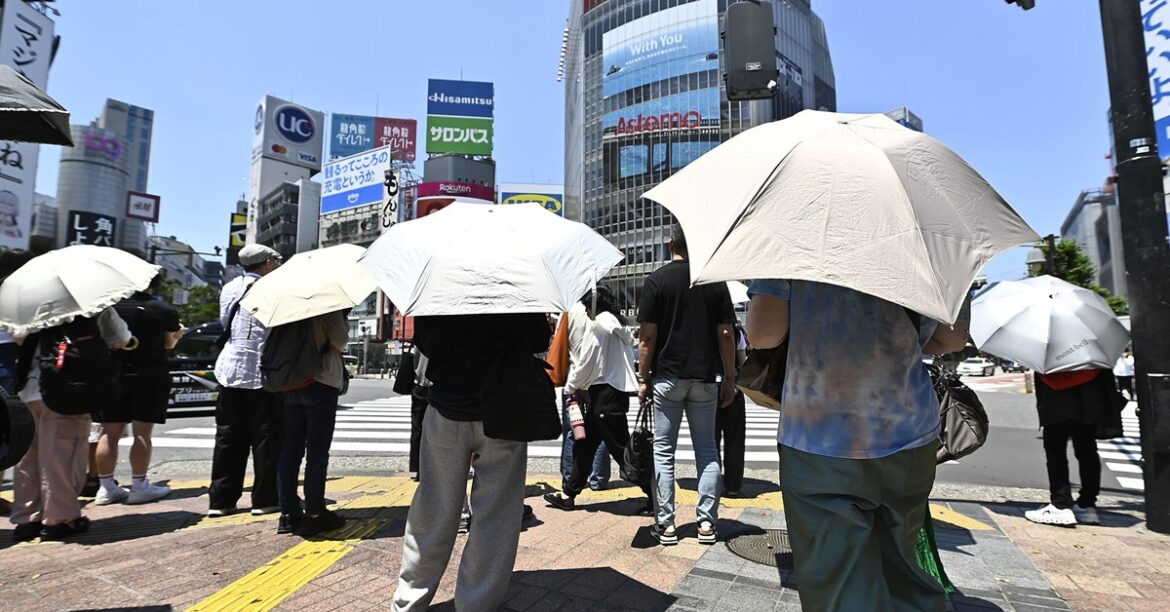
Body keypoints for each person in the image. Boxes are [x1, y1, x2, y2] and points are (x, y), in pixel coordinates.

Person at [746, 279, 967, 611]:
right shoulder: (930, 235)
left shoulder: (792, 234)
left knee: (836, 583)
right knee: (903, 571)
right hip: (908, 430)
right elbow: (950, 338)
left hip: (820, 436)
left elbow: (763, 333)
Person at [392, 312, 551, 612]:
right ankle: (476, 603)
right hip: (504, 411)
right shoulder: (516, 283)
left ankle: (409, 600)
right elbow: (538, 337)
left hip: (447, 406)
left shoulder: (440, 286)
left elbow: (424, 342)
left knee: (433, 509)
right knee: (496, 514)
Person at [637, 225, 737, 546]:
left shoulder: (656, 281)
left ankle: (666, 525)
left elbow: (647, 337)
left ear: (670, 245)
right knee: (707, 450)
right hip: (705, 378)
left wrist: (642, 377)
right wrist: (730, 377)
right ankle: (706, 524)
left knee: (664, 452)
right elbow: (726, 334)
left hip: (667, 377)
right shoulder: (714, 283)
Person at [10, 308, 132, 541]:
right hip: (66, 390)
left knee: (29, 459)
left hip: (28, 389)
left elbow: (19, 338)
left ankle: (27, 520)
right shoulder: (91, 305)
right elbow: (121, 337)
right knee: (62, 458)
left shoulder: (31, 306)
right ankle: (61, 519)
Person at [544, 288, 651, 512]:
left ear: (594, 305)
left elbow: (587, 362)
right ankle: (569, 494)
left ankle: (654, 495)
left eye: (586, 306)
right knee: (585, 446)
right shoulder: (614, 322)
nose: (584, 309)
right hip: (610, 393)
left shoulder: (598, 325)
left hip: (603, 394)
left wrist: (571, 386)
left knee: (621, 449)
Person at [93, 274, 183, 506]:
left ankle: (105, 487)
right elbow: (168, 344)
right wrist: (177, 335)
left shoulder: (108, 308)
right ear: (153, 286)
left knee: (109, 433)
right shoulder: (163, 310)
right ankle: (140, 485)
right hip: (149, 375)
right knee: (142, 432)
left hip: (113, 374)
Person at [207, 244, 283, 517]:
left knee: (228, 436)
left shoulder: (229, 288)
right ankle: (264, 499)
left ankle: (221, 500)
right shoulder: (274, 289)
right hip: (261, 368)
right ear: (267, 263)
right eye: (275, 260)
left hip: (229, 367)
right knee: (266, 437)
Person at [276, 309, 349, 536]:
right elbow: (340, 341)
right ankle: (315, 512)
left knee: (290, 449)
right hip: (320, 380)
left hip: (289, 381)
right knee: (317, 452)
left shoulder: (285, 306)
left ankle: (288, 513)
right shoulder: (327, 302)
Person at [1025, 368, 1122, 527]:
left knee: (1056, 449)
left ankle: (1060, 504)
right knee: (1087, 448)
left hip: (1055, 397)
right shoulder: (1090, 345)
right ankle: (1087, 505)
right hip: (1088, 394)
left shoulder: (1052, 345)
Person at [559, 303, 610, 492]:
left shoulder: (569, 309)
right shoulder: (604, 311)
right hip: (599, 377)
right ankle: (598, 479)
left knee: (573, 429)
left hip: (574, 376)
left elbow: (559, 342)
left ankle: (569, 477)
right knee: (601, 428)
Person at [715, 325, 749, 497]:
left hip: (707, 389)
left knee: (709, 441)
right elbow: (743, 363)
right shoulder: (736, 332)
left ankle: (710, 483)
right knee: (734, 439)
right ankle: (733, 485)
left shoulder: (703, 328)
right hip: (733, 388)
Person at [408, 344, 430, 482]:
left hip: (419, 384)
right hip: (436, 386)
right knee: (434, 430)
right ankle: (428, 467)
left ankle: (418, 467)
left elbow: (413, 359)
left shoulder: (419, 341)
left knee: (417, 428)